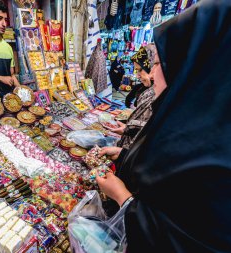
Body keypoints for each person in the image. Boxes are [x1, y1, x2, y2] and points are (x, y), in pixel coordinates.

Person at [97, 0, 231, 251]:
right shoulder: (186, 120)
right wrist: (126, 155)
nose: (153, 73)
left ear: (190, 66)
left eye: (159, 63)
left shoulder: (212, 158)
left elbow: (181, 239)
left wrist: (123, 198)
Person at [111, 44, 157, 150]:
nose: (137, 75)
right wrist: (127, 127)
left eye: (140, 70)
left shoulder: (158, 95)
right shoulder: (148, 91)